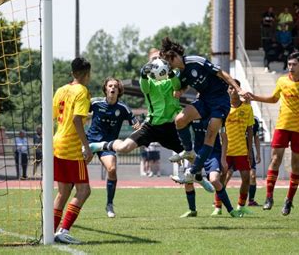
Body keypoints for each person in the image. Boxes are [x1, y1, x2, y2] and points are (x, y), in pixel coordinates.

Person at [89, 48, 214, 193]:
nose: (156, 62)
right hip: (151, 127)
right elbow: (144, 86)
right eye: (153, 60)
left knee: (191, 155)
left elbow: (177, 86)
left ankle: (199, 177)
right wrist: (143, 72)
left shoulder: (172, 78)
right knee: (124, 148)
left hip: (170, 128)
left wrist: (171, 72)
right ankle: (100, 145)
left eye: (158, 58)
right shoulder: (148, 82)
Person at [159, 37, 250, 184]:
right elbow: (182, 87)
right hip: (204, 100)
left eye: (167, 61)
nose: (167, 65)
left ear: (174, 55)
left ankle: (193, 172)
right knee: (180, 120)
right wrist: (178, 92)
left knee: (210, 137)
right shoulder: (178, 74)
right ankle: (189, 150)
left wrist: (238, 89)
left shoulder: (195, 61)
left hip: (220, 100)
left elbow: (221, 73)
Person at [247, 52, 299, 216]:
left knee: (296, 165)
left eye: (294, 64)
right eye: (289, 64)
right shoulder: (282, 80)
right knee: (275, 160)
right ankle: (269, 197)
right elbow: (273, 99)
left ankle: (289, 200)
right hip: (282, 126)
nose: (290, 67)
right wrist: (254, 97)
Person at [86, 77, 140, 218]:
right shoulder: (95, 103)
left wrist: (136, 125)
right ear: (105, 89)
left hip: (108, 145)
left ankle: (109, 204)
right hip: (90, 142)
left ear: (119, 90)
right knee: (77, 169)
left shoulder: (123, 108)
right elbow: (80, 110)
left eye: (115, 86)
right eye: (110, 86)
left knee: (112, 169)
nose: (112, 88)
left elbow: (135, 122)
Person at [52, 57, 93, 244]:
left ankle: (49, 230)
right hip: (72, 147)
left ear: (72, 73)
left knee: (63, 192)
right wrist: (86, 145)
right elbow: (76, 120)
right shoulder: (82, 91)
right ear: (87, 74)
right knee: (84, 191)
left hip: (57, 143)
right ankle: (64, 230)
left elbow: (56, 116)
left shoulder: (61, 90)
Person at [176, 117, 243, 218]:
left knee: (215, 180)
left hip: (213, 154)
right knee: (188, 181)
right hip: (197, 154)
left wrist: (223, 159)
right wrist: (181, 153)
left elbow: (224, 138)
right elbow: (182, 132)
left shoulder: (216, 116)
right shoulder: (193, 114)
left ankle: (231, 210)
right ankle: (192, 210)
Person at [222, 79, 254, 215]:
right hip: (226, 150)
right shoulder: (223, 108)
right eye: (229, 88)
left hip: (241, 149)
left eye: (234, 88)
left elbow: (250, 130)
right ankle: (218, 207)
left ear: (239, 89)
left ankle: (241, 206)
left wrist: (250, 151)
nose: (231, 90)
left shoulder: (247, 108)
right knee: (222, 178)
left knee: (246, 178)